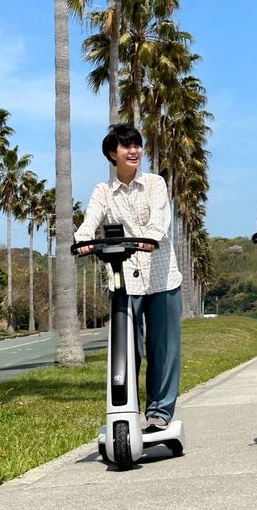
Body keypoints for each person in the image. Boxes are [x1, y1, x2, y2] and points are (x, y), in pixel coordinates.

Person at [74, 123, 182, 431]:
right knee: (127, 347)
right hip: (124, 279)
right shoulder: (104, 192)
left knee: (163, 348)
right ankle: (126, 411)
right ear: (113, 153)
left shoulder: (154, 183)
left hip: (162, 276)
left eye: (136, 145)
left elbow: (160, 219)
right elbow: (90, 220)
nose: (134, 151)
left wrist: (150, 238)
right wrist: (82, 240)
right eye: (126, 146)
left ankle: (160, 412)